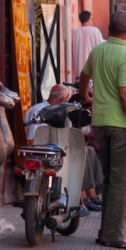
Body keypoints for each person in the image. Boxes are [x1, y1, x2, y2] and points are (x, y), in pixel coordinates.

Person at [79, 11, 126, 250]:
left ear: (109, 29)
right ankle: (113, 236)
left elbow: (84, 75)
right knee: (123, 182)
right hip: (121, 125)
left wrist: (85, 97)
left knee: (110, 179)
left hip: (100, 123)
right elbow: (125, 94)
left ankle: (105, 232)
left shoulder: (99, 50)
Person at [23, 84, 103, 213]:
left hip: (60, 147)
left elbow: (68, 133)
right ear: (62, 100)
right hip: (45, 151)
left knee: (89, 150)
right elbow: (33, 139)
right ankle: (83, 196)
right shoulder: (38, 110)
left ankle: (92, 194)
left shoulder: (62, 111)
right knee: (81, 153)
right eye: (67, 99)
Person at [71, 11, 104, 84]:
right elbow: (101, 45)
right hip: (92, 69)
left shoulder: (75, 33)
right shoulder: (95, 31)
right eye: (91, 19)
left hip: (79, 70)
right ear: (89, 19)